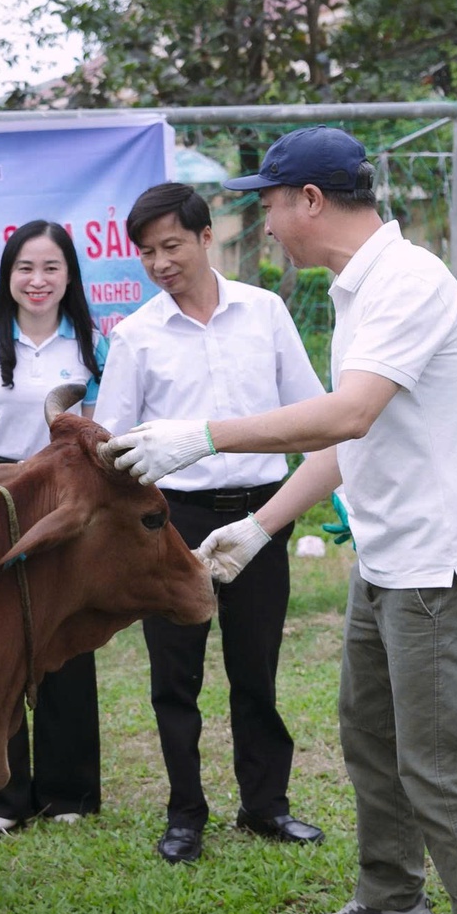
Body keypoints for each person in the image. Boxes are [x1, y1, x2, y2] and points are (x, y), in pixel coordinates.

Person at [108, 128, 457, 914]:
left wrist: (206, 435)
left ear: (310, 200)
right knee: (369, 735)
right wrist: (260, 527)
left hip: (437, 563)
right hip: (389, 557)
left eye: (267, 202)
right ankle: (393, 905)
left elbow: (347, 410)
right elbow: (355, 442)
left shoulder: (409, 283)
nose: (261, 222)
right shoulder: (361, 290)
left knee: (439, 762)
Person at [95, 183, 327, 865]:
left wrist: (294, 506)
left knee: (255, 667)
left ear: (205, 238)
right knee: (176, 677)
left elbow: (312, 413)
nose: (160, 262)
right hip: (172, 520)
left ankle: (265, 805)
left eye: (171, 246)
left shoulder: (265, 312)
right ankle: (184, 813)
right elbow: (113, 443)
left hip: (261, 511)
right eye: (146, 253)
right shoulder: (135, 335)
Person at [0, 220, 107, 831]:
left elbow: (100, 434)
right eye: (25, 268)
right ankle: (1, 795)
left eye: (50, 268)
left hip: (66, 494)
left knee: (65, 633)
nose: (37, 280)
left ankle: (69, 792)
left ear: (69, 275)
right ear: (6, 275)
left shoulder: (94, 343)